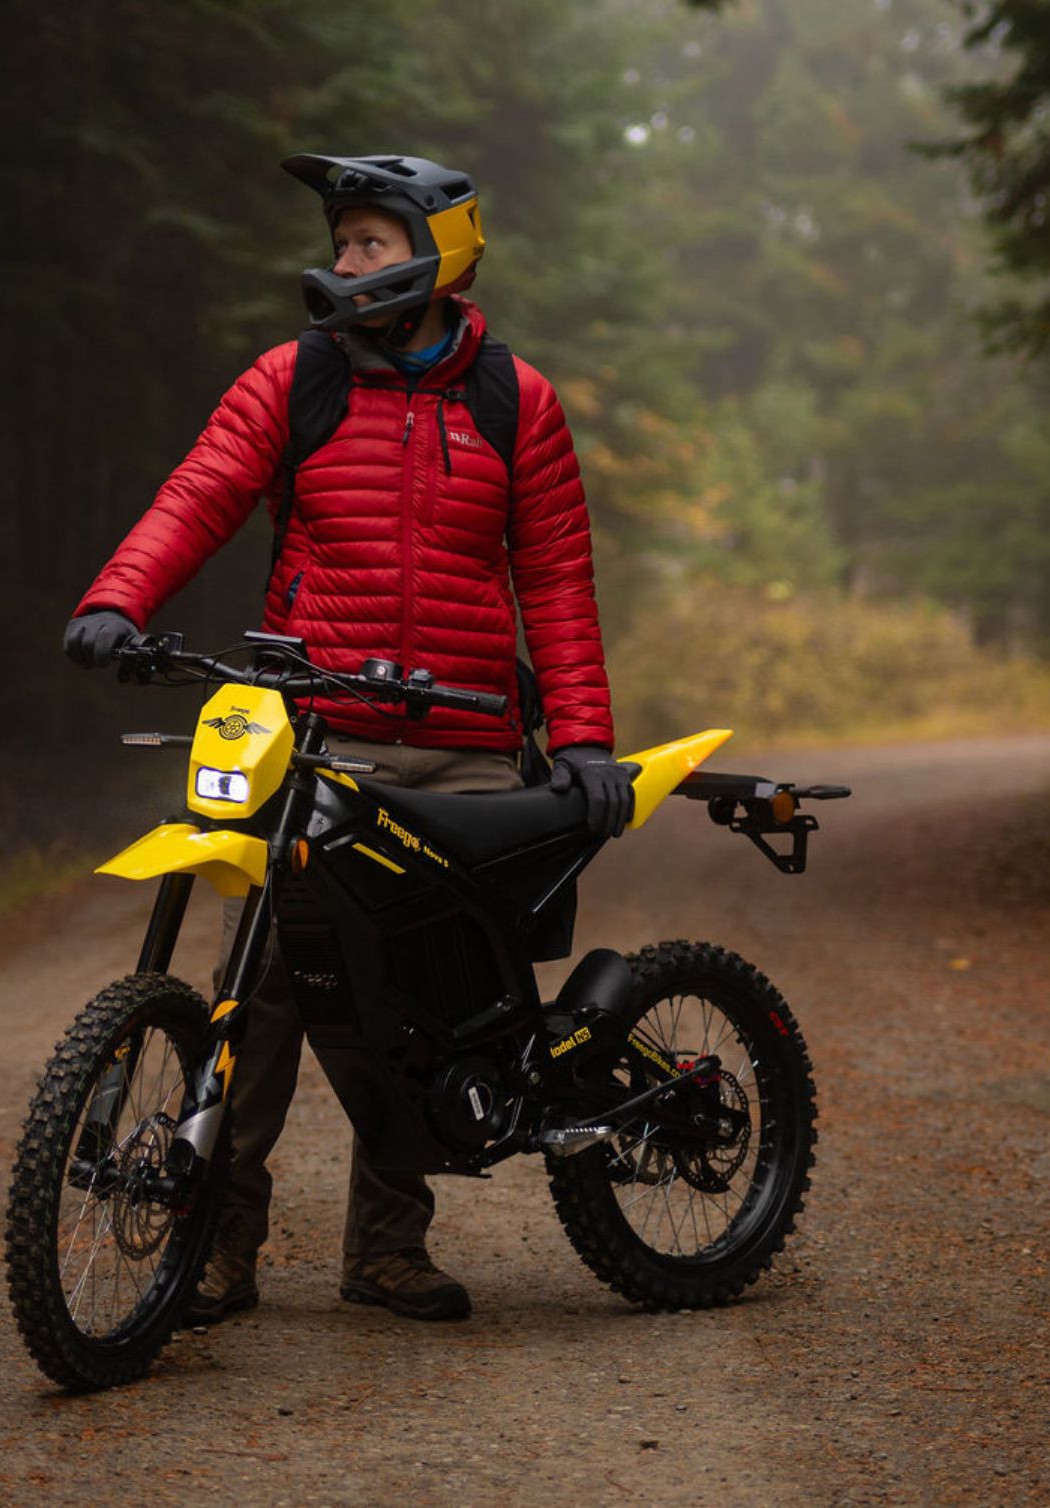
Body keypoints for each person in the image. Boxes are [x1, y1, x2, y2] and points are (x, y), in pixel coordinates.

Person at [57, 152, 635, 1324]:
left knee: (431, 1006)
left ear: (439, 250)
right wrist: (121, 598)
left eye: (371, 240)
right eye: (343, 240)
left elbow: (559, 582)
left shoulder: (515, 399)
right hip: (314, 733)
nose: (344, 262)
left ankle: (386, 1249)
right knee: (263, 990)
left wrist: (581, 739)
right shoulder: (294, 378)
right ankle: (213, 1249)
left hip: (469, 741)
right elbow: (201, 491)